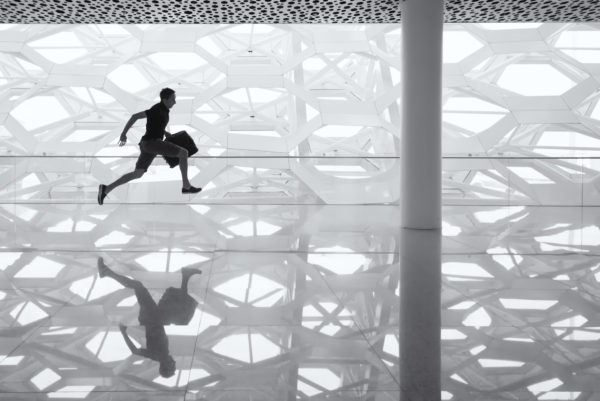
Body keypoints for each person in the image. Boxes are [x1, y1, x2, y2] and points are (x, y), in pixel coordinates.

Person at [97, 257, 202, 377]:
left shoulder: (156, 355)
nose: (174, 363)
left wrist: (124, 332)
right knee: (183, 317)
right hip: (157, 318)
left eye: (173, 366)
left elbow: (135, 351)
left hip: (151, 317)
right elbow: (136, 351)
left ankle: (106, 272)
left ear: (166, 366)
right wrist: (124, 332)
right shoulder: (160, 355)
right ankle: (186, 276)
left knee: (138, 286)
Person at [97, 88, 201, 205]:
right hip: (151, 143)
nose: (175, 102)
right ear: (164, 99)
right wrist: (123, 134)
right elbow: (134, 116)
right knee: (183, 153)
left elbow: (156, 125)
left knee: (138, 174)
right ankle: (186, 185)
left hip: (148, 145)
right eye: (172, 99)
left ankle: (106, 189)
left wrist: (164, 133)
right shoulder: (156, 109)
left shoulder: (165, 111)